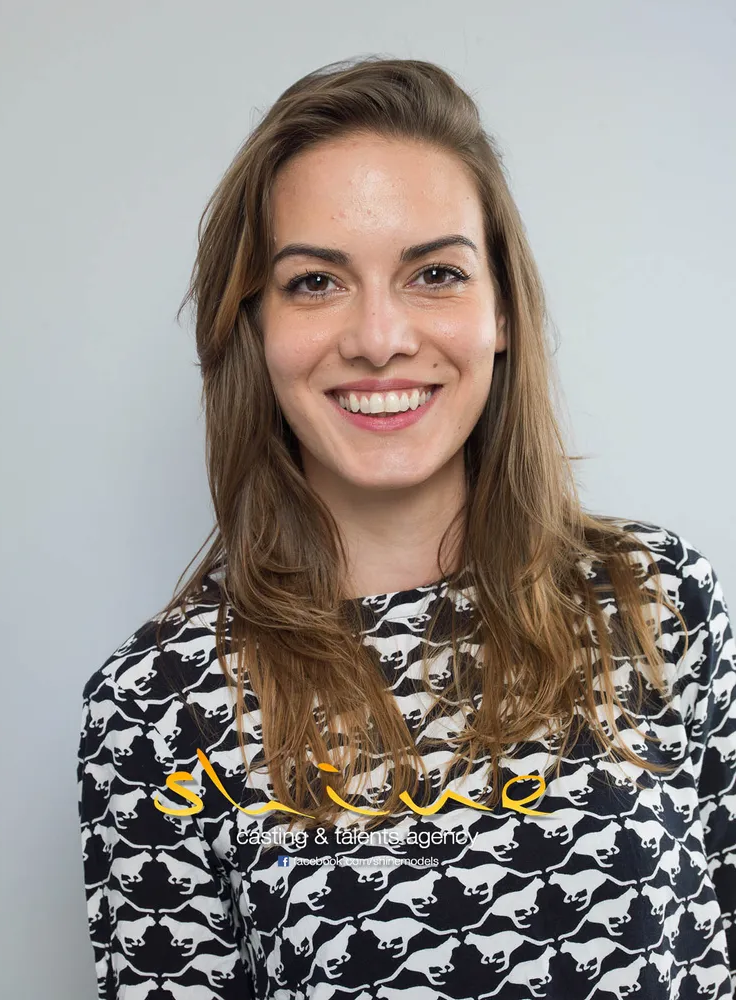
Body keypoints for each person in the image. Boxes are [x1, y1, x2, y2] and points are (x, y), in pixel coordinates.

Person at [77, 55, 736, 1000]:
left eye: (435, 273)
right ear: (254, 325)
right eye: (316, 282)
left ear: (501, 311)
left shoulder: (654, 603)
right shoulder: (158, 710)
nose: (380, 338)